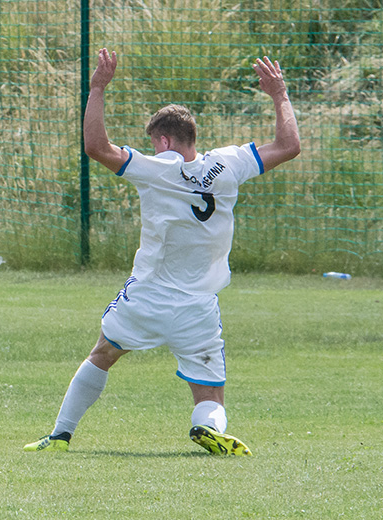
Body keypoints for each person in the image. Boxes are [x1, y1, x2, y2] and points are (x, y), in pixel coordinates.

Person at [24, 49, 300, 455]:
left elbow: (97, 146)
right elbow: (289, 145)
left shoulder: (155, 170)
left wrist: (98, 87)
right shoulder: (230, 163)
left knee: (103, 353)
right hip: (198, 306)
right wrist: (279, 94)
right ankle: (206, 426)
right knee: (210, 391)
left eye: (154, 143)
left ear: (164, 141)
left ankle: (60, 436)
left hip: (148, 295)